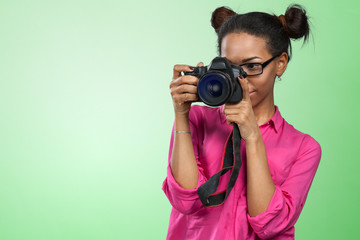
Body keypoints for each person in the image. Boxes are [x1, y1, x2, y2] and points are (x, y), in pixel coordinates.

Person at [162, 4, 321, 240]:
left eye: (252, 66)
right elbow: (185, 200)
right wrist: (181, 115)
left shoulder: (304, 148)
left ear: (280, 63)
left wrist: (253, 135)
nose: (240, 79)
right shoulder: (197, 120)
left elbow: (269, 224)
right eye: (230, 67)